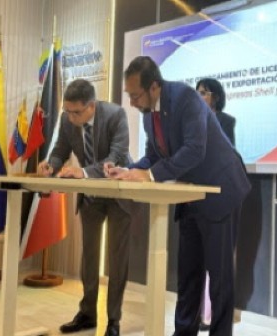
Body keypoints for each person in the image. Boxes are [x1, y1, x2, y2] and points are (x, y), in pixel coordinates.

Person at [109, 56, 251, 336]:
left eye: (135, 95)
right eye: (129, 96)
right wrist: (127, 170)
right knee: (188, 274)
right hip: (189, 196)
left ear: (154, 87)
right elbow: (152, 156)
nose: (133, 103)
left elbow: (195, 149)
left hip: (220, 189)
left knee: (219, 277)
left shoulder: (186, 97)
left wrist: (149, 175)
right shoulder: (149, 115)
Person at [38, 79, 132, 336]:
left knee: (116, 258)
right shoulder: (68, 117)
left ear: (91, 106)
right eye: (67, 111)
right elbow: (60, 150)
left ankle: (113, 320)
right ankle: (88, 314)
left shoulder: (115, 115)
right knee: (90, 256)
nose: (70, 117)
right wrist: (51, 164)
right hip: (91, 195)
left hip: (119, 192)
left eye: (76, 112)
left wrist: (83, 172)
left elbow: (117, 157)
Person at [195, 77, 237, 331]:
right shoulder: (189, 121)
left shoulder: (225, 120)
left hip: (219, 196)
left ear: (216, 97)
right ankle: (199, 317)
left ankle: (214, 322)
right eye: (197, 92)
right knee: (194, 269)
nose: (199, 96)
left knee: (218, 268)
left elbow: (226, 152)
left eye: (204, 93)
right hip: (193, 198)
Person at [196, 78, 235, 146]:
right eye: (197, 94)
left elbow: (228, 150)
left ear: (216, 97)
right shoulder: (192, 120)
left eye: (203, 93)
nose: (198, 97)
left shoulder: (226, 121)